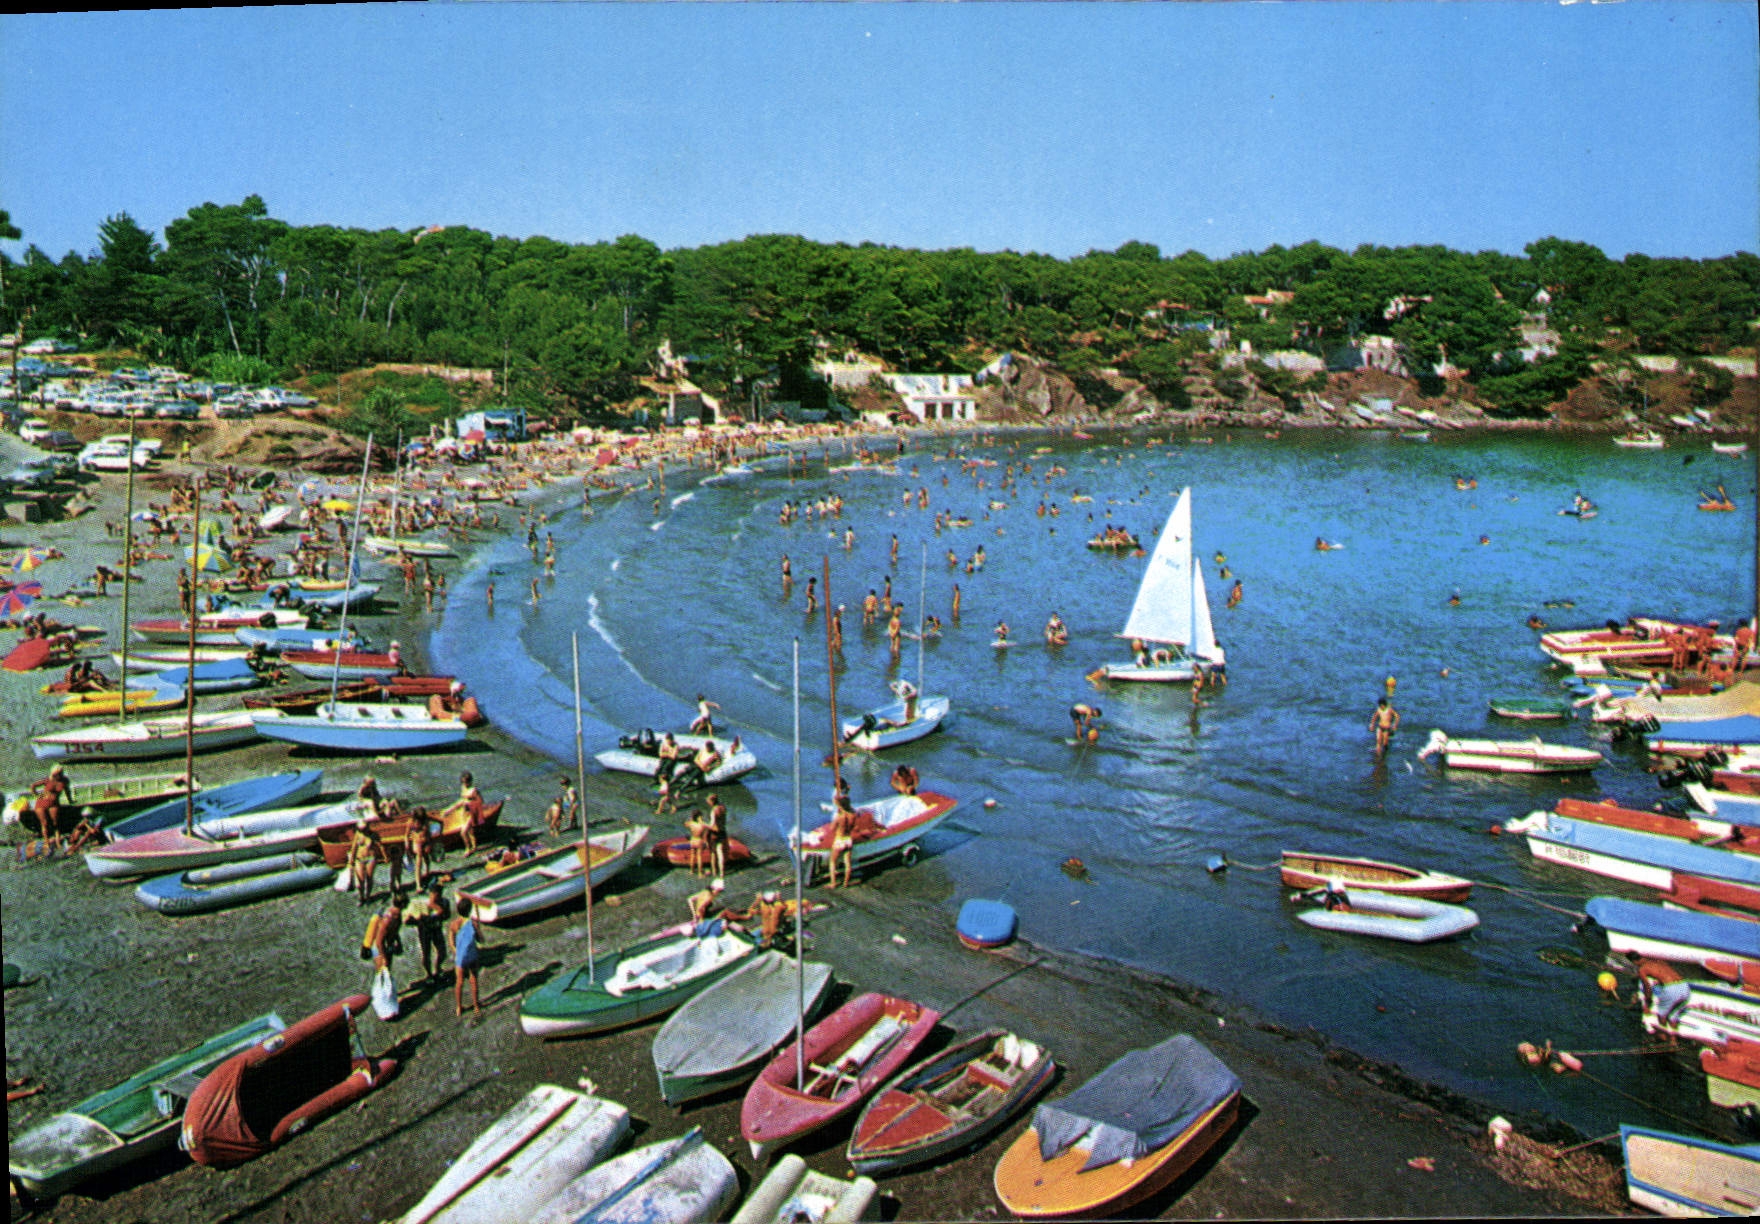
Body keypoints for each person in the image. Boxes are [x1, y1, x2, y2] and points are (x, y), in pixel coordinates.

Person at [407, 884, 448, 985]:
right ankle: (429, 974)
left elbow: (447, 915)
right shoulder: (421, 903)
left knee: (442, 951)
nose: (435, 897)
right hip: (425, 930)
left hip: (437, 929)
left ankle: (438, 968)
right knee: (426, 953)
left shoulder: (444, 902)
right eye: (433, 894)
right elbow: (409, 920)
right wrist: (420, 918)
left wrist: (439, 911)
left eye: (437, 895)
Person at [449, 896, 482, 1017]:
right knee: (473, 979)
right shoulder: (472, 923)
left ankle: (459, 1007)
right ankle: (476, 1005)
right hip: (472, 954)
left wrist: (454, 949)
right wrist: (478, 928)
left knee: (459, 981)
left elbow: (451, 939)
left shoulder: (454, 924)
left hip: (461, 956)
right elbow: (481, 939)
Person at [827, 795, 858, 890]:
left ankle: (833, 883)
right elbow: (853, 827)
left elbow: (832, 828)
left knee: (832, 862)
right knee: (847, 863)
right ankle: (846, 883)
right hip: (848, 839)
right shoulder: (853, 814)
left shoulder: (839, 817)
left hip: (840, 840)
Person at [349, 820, 381, 905]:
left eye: (363, 829)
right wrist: (351, 860)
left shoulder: (373, 835)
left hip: (370, 858)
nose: (362, 831)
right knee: (361, 880)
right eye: (360, 829)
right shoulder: (358, 835)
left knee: (369, 878)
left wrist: (383, 856)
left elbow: (379, 846)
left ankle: (368, 896)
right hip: (359, 859)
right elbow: (354, 847)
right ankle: (361, 896)